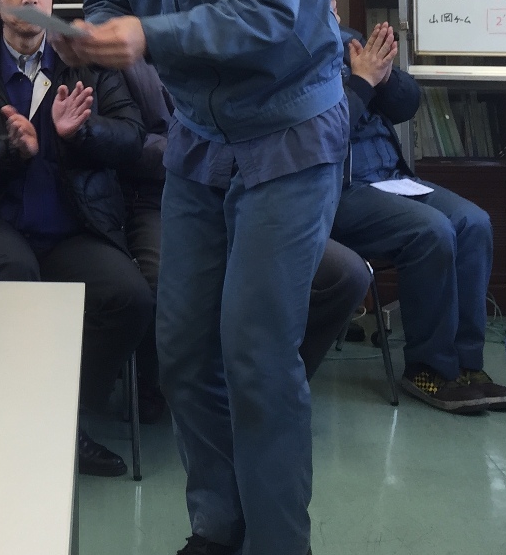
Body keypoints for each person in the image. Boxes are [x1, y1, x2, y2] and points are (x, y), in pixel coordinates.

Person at [66, 0, 345, 555]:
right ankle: (218, 532)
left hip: (288, 132)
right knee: (184, 348)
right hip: (198, 142)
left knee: (255, 352)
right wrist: (91, 33)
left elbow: (268, 15)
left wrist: (144, 36)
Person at [0, 0, 153, 478]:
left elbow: (131, 139)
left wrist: (82, 132)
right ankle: (18, 419)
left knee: (128, 297)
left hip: (73, 226)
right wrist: (9, 149)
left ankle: (65, 416)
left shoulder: (88, 65)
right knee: (15, 279)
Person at [186, 0, 370, 384]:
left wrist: (368, 81)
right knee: (203, 338)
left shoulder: (312, 21)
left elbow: (396, 101)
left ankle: (276, 397)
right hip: (205, 184)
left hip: (312, 174)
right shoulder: (169, 22)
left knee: (267, 347)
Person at [117, 57, 371, 415]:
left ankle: (268, 393)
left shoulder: (257, 49)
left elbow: (316, 118)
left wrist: (366, 82)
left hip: (255, 185)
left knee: (346, 275)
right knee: (170, 287)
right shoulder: (123, 57)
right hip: (158, 198)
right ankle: (164, 393)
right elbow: (127, 141)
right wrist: (192, 142)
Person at [329, 0, 506, 413]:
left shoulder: (348, 41)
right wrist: (361, 82)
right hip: (337, 190)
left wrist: (384, 77)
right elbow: (324, 133)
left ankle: (466, 365)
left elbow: (407, 105)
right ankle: (429, 367)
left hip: (391, 179)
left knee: (474, 221)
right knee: (429, 230)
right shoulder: (291, 54)